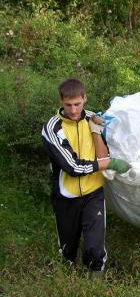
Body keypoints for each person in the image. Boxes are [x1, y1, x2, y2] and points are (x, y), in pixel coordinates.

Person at [41, 78, 131, 278]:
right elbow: (73, 167)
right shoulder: (52, 129)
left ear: (85, 99)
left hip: (94, 193)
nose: (73, 110)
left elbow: (102, 155)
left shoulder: (92, 118)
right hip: (66, 195)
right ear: (61, 101)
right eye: (68, 105)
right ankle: (66, 280)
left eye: (77, 104)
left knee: (95, 247)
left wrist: (96, 132)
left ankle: (95, 286)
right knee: (67, 249)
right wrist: (109, 164)